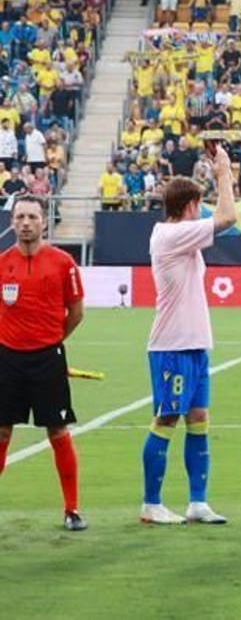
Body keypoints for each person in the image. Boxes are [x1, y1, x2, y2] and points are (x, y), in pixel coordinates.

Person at [140, 144, 238, 526]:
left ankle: (198, 501)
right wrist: (224, 173)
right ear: (190, 206)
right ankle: (151, 503)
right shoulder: (170, 235)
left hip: (194, 344)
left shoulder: (182, 235)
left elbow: (230, 219)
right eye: (199, 204)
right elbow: (228, 217)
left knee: (198, 418)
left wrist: (220, 176)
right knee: (167, 419)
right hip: (173, 344)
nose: (203, 210)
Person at [0, 196, 86, 531]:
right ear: (12, 222)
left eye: (32, 217)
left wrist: (52, 340)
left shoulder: (63, 263)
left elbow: (76, 312)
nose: (26, 223)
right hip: (7, 358)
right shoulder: (2, 262)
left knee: (58, 430)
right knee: (2, 430)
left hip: (48, 358)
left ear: (44, 222)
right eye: (20, 217)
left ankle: (72, 509)